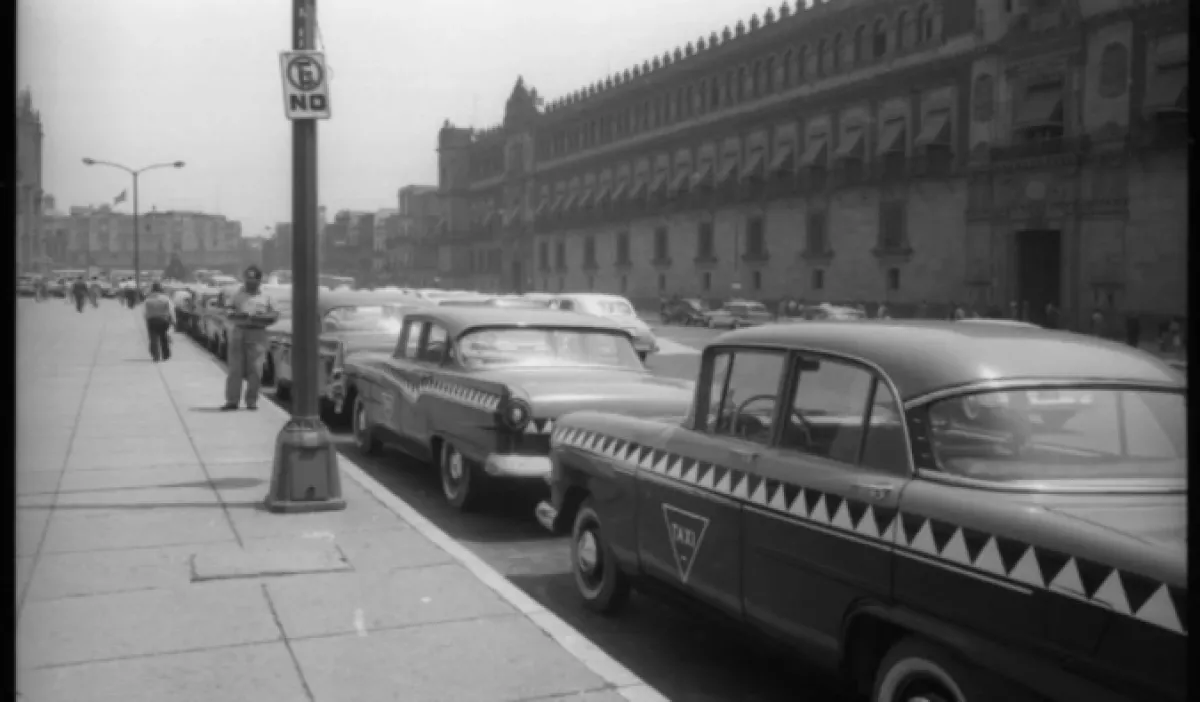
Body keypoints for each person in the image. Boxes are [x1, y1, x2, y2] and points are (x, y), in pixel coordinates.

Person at [221, 265, 279, 411]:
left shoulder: (267, 296)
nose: (249, 283)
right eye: (247, 279)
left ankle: (251, 400)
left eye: (253, 280)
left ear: (259, 280)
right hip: (239, 332)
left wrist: (259, 317)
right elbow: (228, 310)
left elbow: (274, 315)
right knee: (235, 369)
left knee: (256, 369)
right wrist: (237, 314)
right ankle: (232, 401)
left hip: (257, 334)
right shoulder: (237, 294)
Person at [143, 282, 175, 362]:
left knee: (153, 338)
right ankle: (166, 355)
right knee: (164, 338)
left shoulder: (148, 299)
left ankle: (156, 355)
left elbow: (144, 312)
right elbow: (171, 310)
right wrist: (173, 320)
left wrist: (147, 319)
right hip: (164, 320)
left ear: (152, 289)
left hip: (152, 320)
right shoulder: (166, 298)